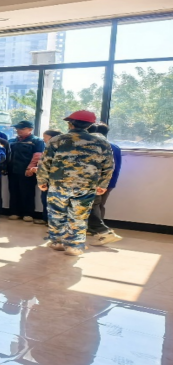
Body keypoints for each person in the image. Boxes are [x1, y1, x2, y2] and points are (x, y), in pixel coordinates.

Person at [36, 110, 114, 257]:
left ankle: (57, 242)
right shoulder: (101, 142)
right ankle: (75, 246)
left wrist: (42, 180)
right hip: (86, 186)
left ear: (70, 124)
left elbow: (45, 162)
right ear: (90, 125)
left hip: (58, 185)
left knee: (56, 214)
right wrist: (103, 185)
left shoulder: (57, 140)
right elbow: (108, 166)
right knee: (79, 216)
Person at [86, 123, 123, 245]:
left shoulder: (97, 146)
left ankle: (98, 230)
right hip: (110, 181)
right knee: (100, 204)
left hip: (97, 181)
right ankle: (97, 229)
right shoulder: (115, 146)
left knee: (93, 205)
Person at [6, 120, 45, 222]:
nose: (18, 130)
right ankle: (14, 212)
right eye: (17, 128)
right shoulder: (12, 141)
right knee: (13, 191)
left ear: (30, 129)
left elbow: (38, 156)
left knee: (27, 192)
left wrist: (30, 168)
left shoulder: (37, 141)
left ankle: (28, 213)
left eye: (22, 129)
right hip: (13, 170)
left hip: (27, 171)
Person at [34, 129, 62, 225]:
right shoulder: (49, 148)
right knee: (45, 200)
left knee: (54, 202)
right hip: (48, 178)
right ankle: (45, 219)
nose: (43, 139)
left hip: (55, 180)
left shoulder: (58, 150)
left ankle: (53, 222)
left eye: (45, 137)